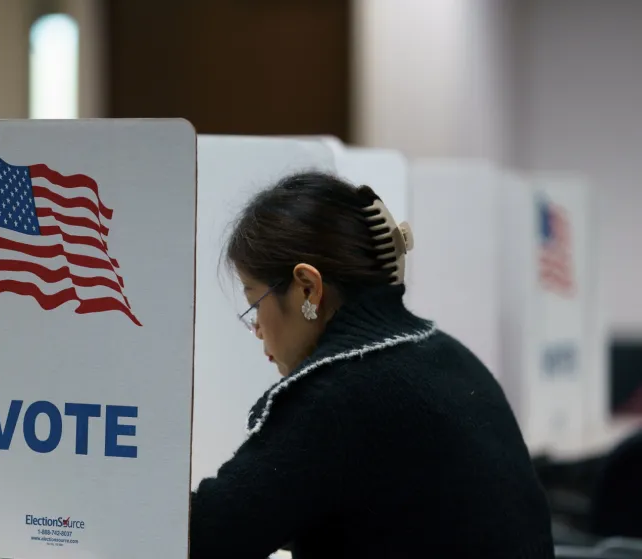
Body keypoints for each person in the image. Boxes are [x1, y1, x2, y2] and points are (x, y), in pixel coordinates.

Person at [188, 172, 555, 558]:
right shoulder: (448, 355)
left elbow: (205, 538)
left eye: (254, 302)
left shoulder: (337, 394)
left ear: (308, 288)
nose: (258, 328)